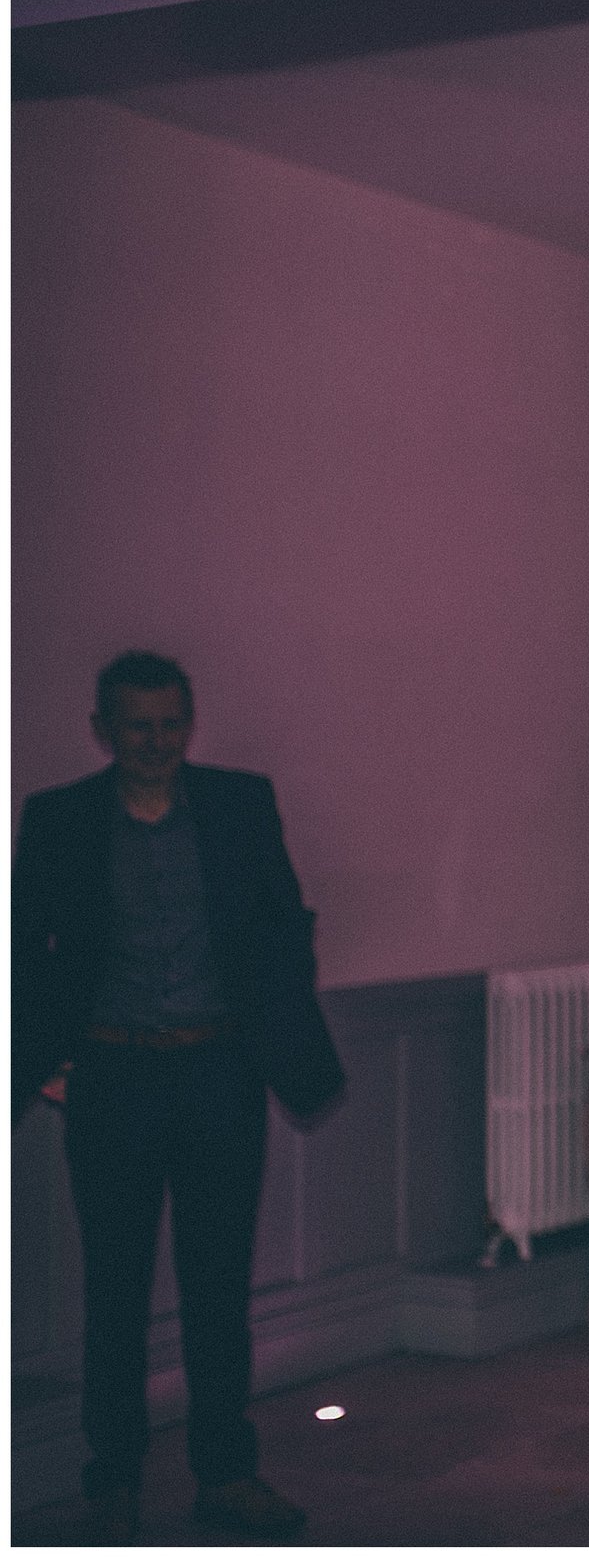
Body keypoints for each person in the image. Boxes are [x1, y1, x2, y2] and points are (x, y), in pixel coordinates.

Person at [14, 652, 344, 1543]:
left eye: (170, 723)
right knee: (114, 1292)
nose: (156, 741)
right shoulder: (60, 820)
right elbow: (25, 948)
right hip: (112, 1078)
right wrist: (39, 1058)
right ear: (103, 729)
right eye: (137, 725)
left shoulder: (238, 805)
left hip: (218, 1075)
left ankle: (227, 1475)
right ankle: (112, 1482)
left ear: (188, 723)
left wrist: (273, 1032)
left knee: (218, 1287)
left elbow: (286, 921)